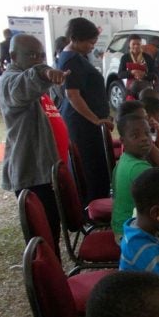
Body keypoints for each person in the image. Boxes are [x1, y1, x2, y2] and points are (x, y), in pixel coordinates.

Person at [0, 34, 70, 255]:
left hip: (46, 171)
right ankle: (48, 287)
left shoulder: (37, 82)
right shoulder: (11, 81)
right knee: (43, 241)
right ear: (12, 56)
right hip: (32, 174)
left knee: (52, 234)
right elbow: (26, 84)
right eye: (31, 55)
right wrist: (44, 71)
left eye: (41, 55)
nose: (38, 59)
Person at [58, 17, 113, 205]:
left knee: (97, 165)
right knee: (90, 168)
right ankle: (93, 206)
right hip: (83, 124)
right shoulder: (71, 60)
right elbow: (73, 95)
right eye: (89, 42)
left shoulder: (77, 57)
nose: (92, 46)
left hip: (88, 122)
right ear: (74, 38)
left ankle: (98, 201)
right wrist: (95, 119)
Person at [111, 113, 159, 240]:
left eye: (147, 133)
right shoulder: (138, 168)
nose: (144, 138)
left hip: (121, 226)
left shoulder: (126, 158)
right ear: (123, 141)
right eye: (135, 135)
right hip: (129, 235)